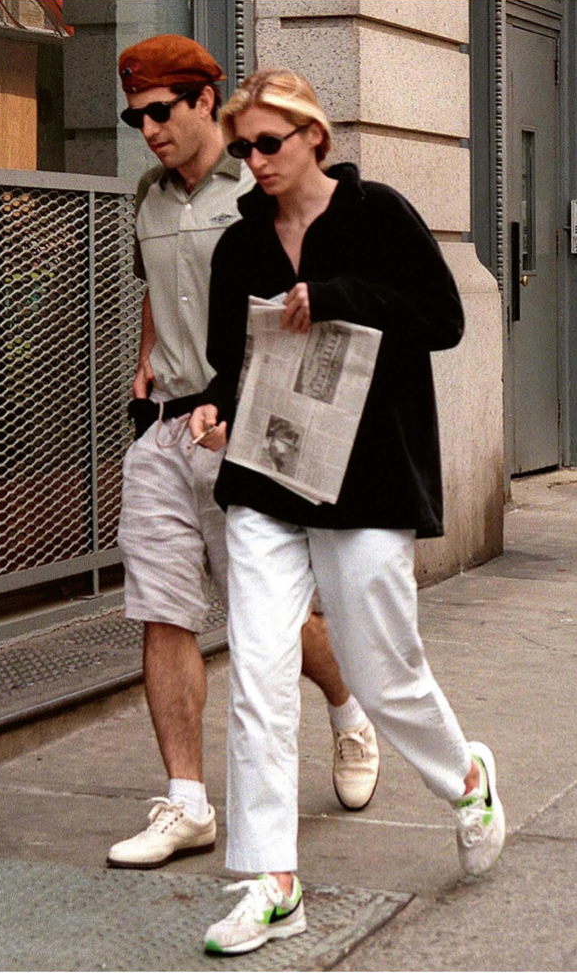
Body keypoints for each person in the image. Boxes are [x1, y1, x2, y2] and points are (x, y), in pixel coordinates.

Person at [190, 69, 506, 956]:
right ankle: (272, 881)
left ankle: (466, 777)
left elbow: (443, 320)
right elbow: (228, 361)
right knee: (257, 672)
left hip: (366, 479)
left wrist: (338, 295)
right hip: (265, 480)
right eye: (243, 148)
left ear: (313, 139)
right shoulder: (239, 245)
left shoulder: (379, 215)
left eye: (269, 143)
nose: (255, 161)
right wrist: (213, 408)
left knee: (380, 670)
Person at [107, 38, 380, 871]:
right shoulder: (148, 196)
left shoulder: (258, 187)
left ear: (202, 101)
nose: (148, 129)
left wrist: (249, 416)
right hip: (164, 429)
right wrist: (147, 360)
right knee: (163, 611)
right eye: (134, 116)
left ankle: (348, 706)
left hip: (246, 433)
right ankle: (187, 801)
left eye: (161, 111)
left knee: (278, 619)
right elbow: (159, 290)